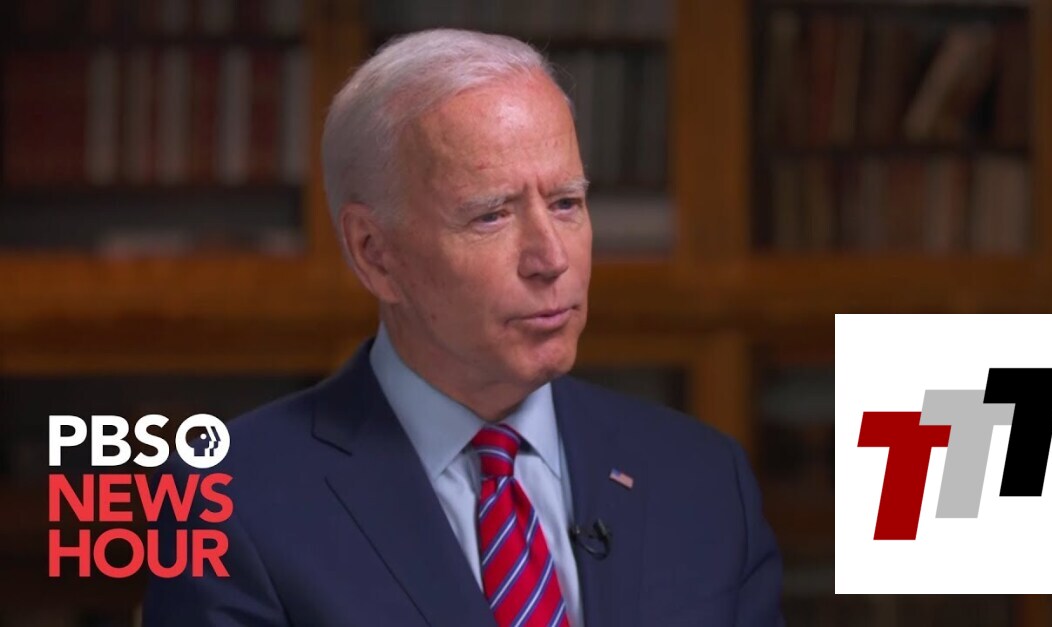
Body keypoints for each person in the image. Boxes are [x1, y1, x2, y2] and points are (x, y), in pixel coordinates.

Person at [143, 29, 783, 626]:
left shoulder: (702, 478)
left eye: (566, 204)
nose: (551, 259)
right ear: (375, 253)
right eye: (491, 216)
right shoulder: (225, 502)